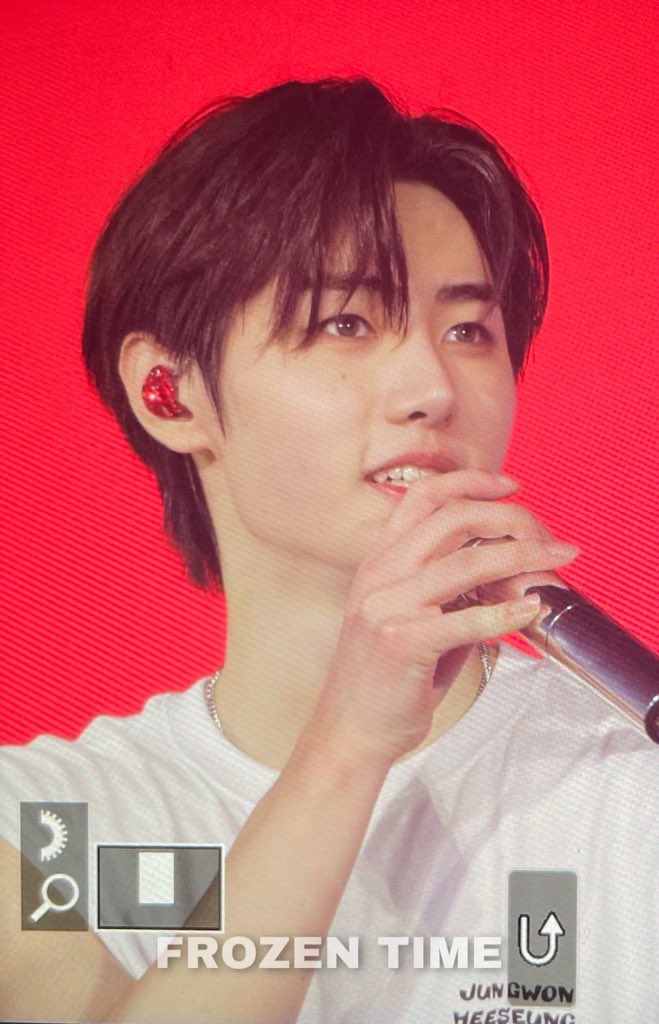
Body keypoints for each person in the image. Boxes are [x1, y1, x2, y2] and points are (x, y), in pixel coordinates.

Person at [0, 77, 656, 1024]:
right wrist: (344, 751)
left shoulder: (627, 777)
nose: (433, 387)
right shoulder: (46, 832)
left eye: (468, 330)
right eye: (345, 322)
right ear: (167, 392)